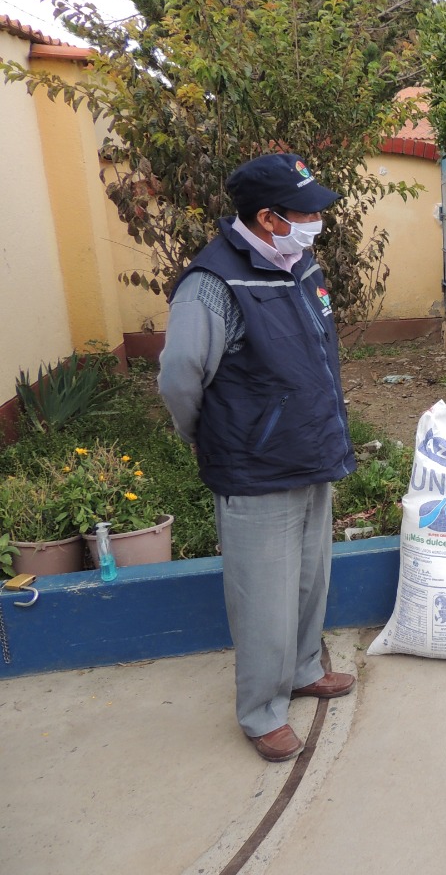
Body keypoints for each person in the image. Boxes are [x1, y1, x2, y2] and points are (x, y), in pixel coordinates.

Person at [158, 153, 358, 760]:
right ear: (268, 218)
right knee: (264, 595)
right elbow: (179, 378)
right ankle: (260, 710)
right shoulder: (212, 284)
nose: (317, 220)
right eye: (306, 212)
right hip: (255, 466)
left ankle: (302, 670)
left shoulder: (299, 264)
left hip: (311, 450)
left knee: (308, 580)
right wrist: (215, 436)